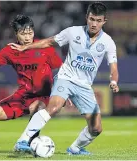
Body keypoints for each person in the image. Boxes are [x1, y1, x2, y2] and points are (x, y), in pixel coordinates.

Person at [10, 2, 119, 155]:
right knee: (54, 107)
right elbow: (48, 42)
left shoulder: (108, 42)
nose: (94, 24)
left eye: (98, 20)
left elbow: (113, 67)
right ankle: (22, 140)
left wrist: (113, 81)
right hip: (65, 77)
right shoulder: (73, 32)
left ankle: (75, 148)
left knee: (96, 128)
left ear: (104, 21)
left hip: (84, 86)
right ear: (86, 17)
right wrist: (25, 47)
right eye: (92, 19)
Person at [0, 15, 63, 154]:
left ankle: (30, 144)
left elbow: (61, 69)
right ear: (16, 34)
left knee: (37, 108)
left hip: (42, 96)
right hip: (22, 96)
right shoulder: (10, 50)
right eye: (23, 34)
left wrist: (63, 91)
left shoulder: (45, 48)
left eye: (30, 33)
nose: (27, 37)